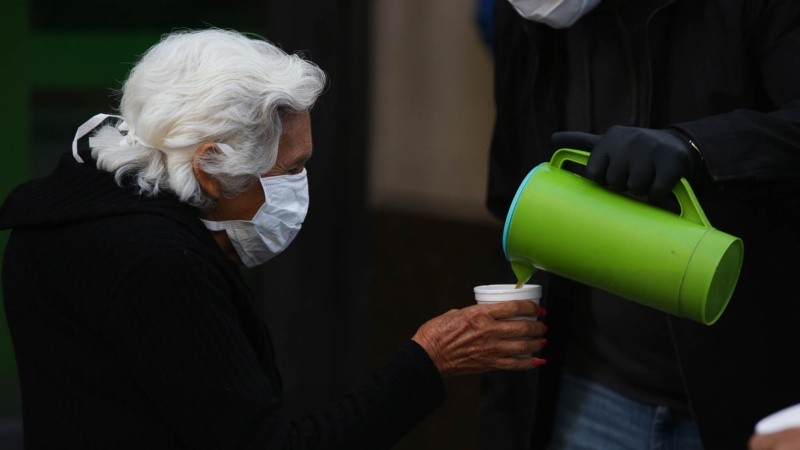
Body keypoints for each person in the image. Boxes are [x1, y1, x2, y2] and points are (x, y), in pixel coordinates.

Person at [0, 28, 548, 449]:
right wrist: (430, 361)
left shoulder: (68, 215)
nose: (299, 186)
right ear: (210, 167)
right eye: (292, 168)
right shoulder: (157, 263)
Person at [479, 1, 800, 449]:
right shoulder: (528, 12)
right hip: (584, 388)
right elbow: (511, 188)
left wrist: (697, 147)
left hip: (747, 397)